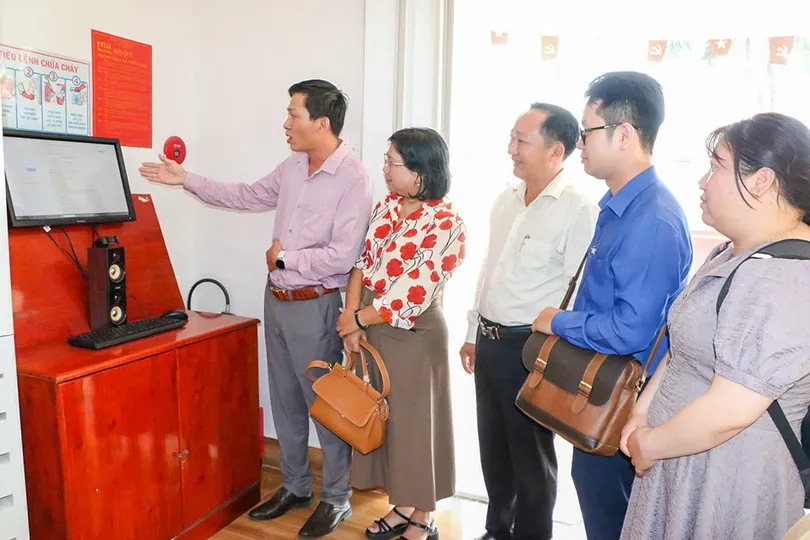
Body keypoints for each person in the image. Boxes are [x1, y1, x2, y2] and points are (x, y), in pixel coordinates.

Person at [139, 79, 373, 538]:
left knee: (326, 406)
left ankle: (336, 498)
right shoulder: (292, 167)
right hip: (278, 299)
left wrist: (286, 259)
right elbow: (247, 195)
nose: (285, 123)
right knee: (284, 398)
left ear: (321, 122)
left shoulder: (355, 178)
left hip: (316, 305)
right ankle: (296, 486)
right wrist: (187, 179)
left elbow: (344, 256)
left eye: (293, 114)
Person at [620, 112, 810, 540]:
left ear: (761, 181)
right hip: (677, 456)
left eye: (716, 166)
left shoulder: (784, 278)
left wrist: (650, 444)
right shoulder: (731, 252)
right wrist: (642, 414)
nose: (703, 181)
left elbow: (731, 409)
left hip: (726, 474)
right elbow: (682, 346)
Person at [531, 71, 693, 540]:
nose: (580, 143)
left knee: (617, 519)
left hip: (626, 401)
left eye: (587, 132)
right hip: (602, 388)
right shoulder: (619, 205)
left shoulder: (652, 219)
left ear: (624, 135)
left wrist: (558, 322)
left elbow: (631, 330)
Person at [459, 103, 598, 540]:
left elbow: (578, 292)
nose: (511, 149)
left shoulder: (578, 209)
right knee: (493, 449)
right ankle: (497, 530)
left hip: (532, 350)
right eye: (512, 138)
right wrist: (472, 332)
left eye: (521, 140)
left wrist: (558, 358)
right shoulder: (507, 199)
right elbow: (488, 270)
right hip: (490, 341)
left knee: (531, 458)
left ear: (556, 151)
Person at [335, 127, 465, 540]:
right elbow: (362, 264)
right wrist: (351, 317)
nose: (386, 170)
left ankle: (423, 516)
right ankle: (402, 506)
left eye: (394, 162)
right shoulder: (387, 207)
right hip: (372, 327)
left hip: (415, 336)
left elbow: (412, 293)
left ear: (422, 171)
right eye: (386, 160)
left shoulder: (447, 223)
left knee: (416, 427)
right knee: (386, 423)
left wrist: (358, 320)